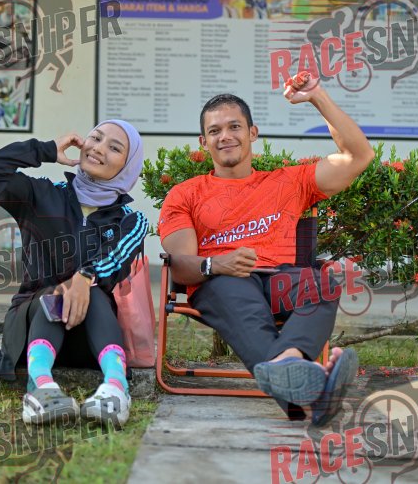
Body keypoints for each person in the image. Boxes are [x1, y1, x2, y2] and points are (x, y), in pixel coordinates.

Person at [158, 73, 375, 426]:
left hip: (279, 279)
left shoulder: (289, 181)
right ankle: (312, 390)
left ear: (252, 132)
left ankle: (293, 370)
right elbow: (181, 266)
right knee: (237, 292)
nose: (225, 136)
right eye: (215, 131)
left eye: (234, 126)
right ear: (204, 141)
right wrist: (218, 264)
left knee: (322, 283)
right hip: (222, 282)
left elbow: (358, 155)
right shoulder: (186, 194)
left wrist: (317, 96)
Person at [0, 120, 147, 426]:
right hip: (31, 330)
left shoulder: (131, 220)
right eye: (95, 138)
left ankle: (116, 389)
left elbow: (115, 259)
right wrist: (46, 150)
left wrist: (83, 278)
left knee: (92, 291)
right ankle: (40, 388)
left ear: (127, 166)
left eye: (114, 148)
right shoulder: (41, 195)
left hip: (91, 339)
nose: (99, 149)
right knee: (55, 294)